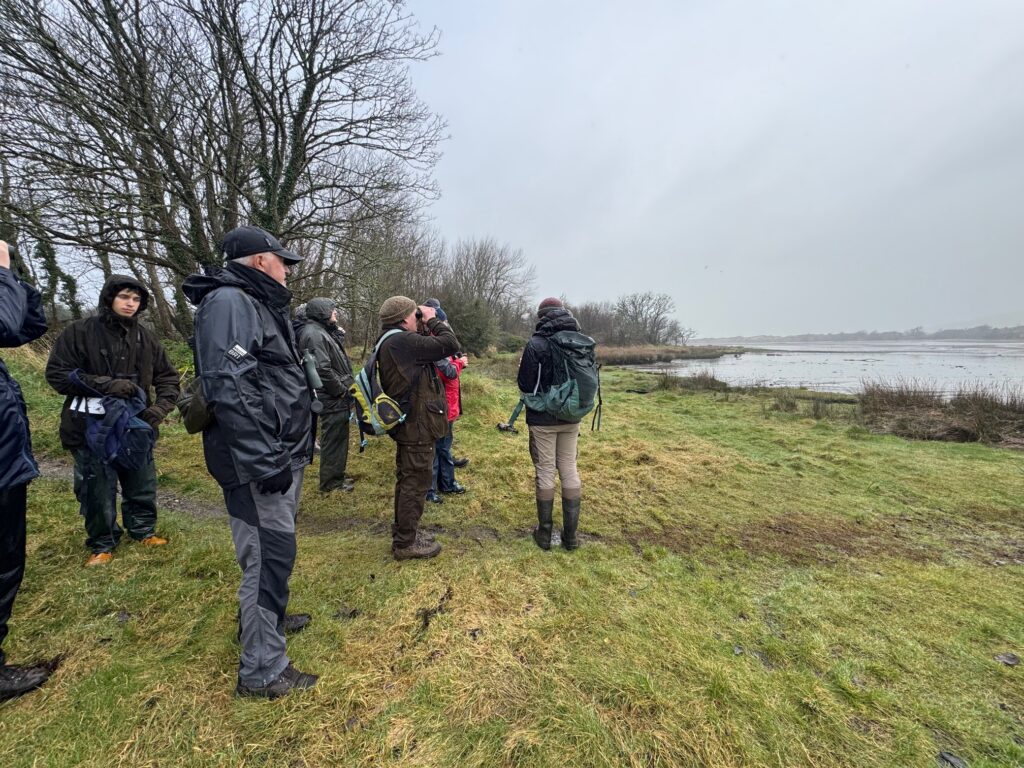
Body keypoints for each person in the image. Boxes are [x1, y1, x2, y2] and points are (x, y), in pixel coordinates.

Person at [182, 225, 317, 699]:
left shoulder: (256, 303)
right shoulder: (230, 303)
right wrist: (265, 458)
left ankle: (266, 624)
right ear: (260, 261)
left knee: (275, 553)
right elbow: (230, 385)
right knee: (266, 557)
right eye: (283, 261)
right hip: (257, 460)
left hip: (277, 451)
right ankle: (262, 670)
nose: (288, 270)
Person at [46, 275, 180, 566]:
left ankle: (143, 531)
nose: (131, 304)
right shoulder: (79, 332)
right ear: (110, 298)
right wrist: (106, 385)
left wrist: (159, 409)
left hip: (136, 424)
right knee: (96, 487)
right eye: (124, 297)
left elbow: (168, 377)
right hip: (89, 425)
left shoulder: (146, 338)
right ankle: (102, 543)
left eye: (136, 299)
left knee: (141, 480)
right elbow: (57, 375)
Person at [0, 240, 52, 701]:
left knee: (8, 557)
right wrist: (1, 271)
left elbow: (29, 326)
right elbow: (5, 323)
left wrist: (13, 275)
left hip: (6, 458)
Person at [376, 295, 459, 559]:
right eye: (415, 315)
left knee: (408, 479)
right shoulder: (402, 341)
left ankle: (405, 532)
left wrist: (423, 322)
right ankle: (405, 544)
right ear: (404, 318)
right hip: (417, 425)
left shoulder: (393, 340)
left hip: (411, 423)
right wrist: (433, 319)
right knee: (415, 482)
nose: (419, 318)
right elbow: (450, 343)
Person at [516, 297, 585, 551]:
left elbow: (525, 384)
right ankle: (571, 537)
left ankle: (544, 534)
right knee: (569, 468)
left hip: (542, 419)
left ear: (541, 317)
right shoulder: (579, 341)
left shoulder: (536, 344)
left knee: (545, 470)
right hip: (571, 416)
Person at [296, 297, 355, 492]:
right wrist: (340, 391)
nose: (335, 313)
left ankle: (336, 477)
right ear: (322, 312)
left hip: (334, 397)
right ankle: (331, 484)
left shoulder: (321, 331)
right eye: (332, 309)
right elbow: (322, 369)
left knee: (338, 438)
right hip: (331, 397)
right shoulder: (314, 334)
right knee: (334, 440)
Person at [425, 303, 468, 504]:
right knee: (437, 448)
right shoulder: (436, 344)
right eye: (444, 322)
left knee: (444, 447)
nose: (447, 325)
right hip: (440, 405)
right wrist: (460, 363)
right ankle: (431, 489)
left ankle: (446, 483)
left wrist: (457, 363)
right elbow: (447, 372)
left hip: (448, 404)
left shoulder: (441, 344)